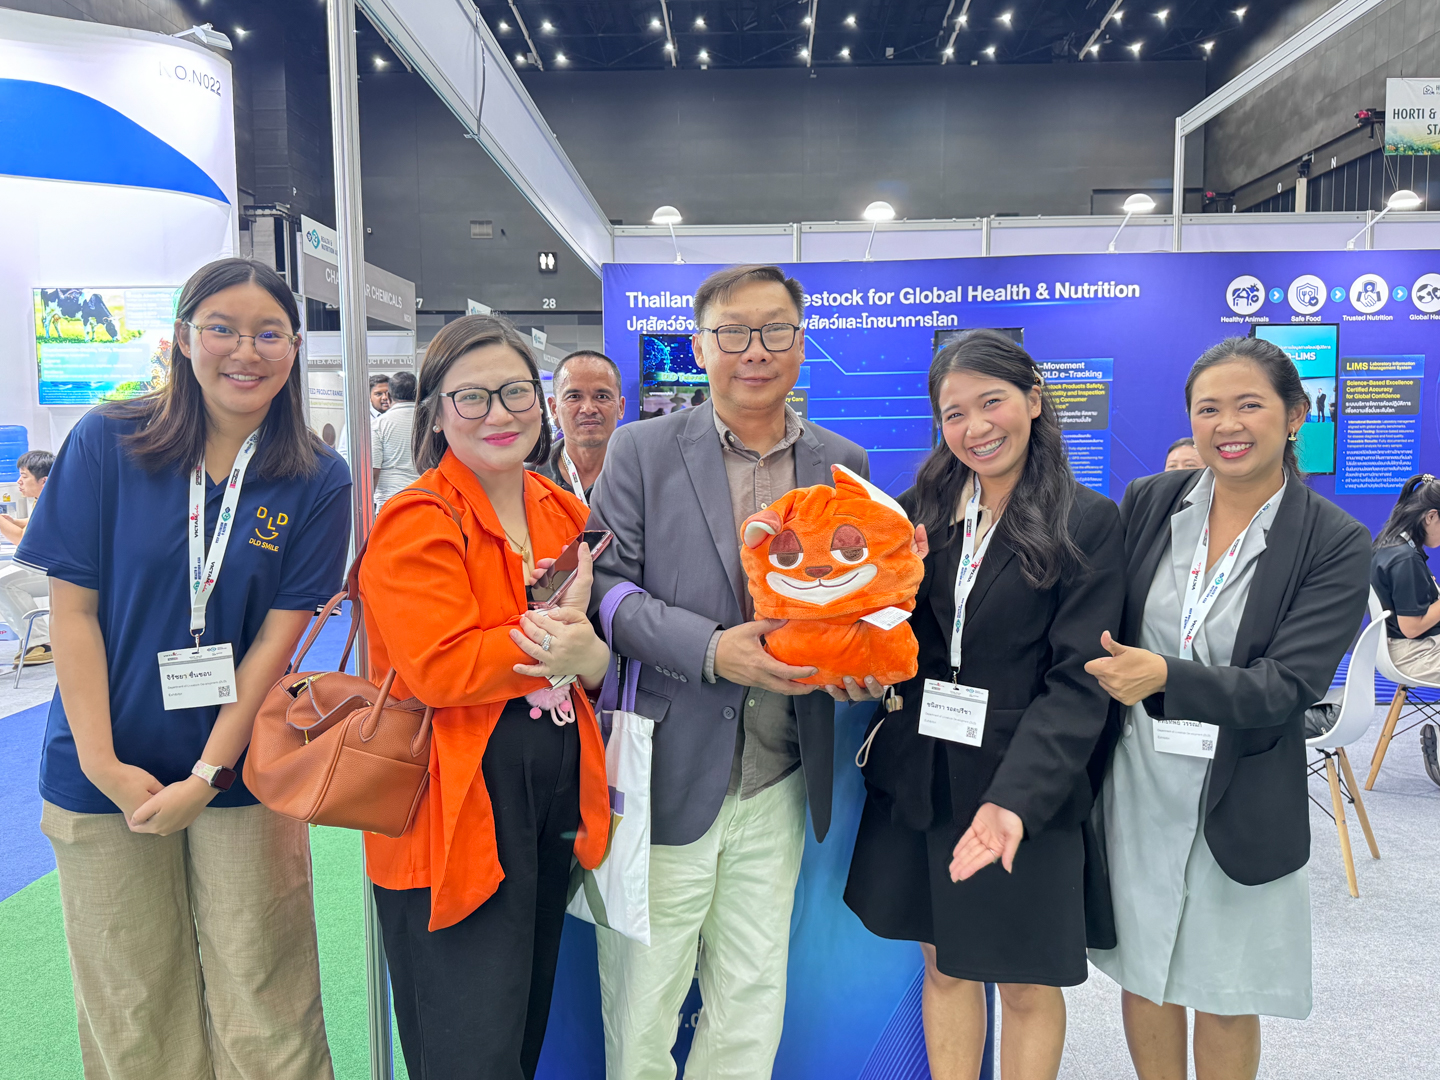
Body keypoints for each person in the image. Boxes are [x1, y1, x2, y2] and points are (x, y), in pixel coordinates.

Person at [20, 257, 351, 1079]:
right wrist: (103, 765)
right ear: (182, 338)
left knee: (267, 1004)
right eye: (222, 329)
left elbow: (275, 646)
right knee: (134, 1013)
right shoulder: (108, 441)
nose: (246, 351)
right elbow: (73, 615)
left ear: (295, 348)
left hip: (242, 773)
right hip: (104, 773)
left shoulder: (316, 477)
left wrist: (208, 773)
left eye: (269, 333)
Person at [587, 264, 876, 1078]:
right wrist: (713, 649)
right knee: (642, 1002)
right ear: (701, 346)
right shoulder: (641, 449)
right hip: (666, 771)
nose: (756, 350)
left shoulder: (843, 460)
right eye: (734, 333)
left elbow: (857, 596)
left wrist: (857, 660)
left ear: (801, 341)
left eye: (775, 330)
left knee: (751, 999)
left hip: (779, 773)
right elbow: (604, 590)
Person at [1085, 336, 1369, 1080]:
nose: (1227, 425)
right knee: (1144, 970)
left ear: (1295, 415)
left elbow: (1288, 685)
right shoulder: (1152, 501)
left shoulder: (1333, 540)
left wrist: (1164, 676)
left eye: (1249, 405)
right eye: (1208, 409)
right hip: (1140, 780)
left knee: (1223, 990)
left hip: (1237, 784)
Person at [845, 330, 1124, 1080]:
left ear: (1033, 400)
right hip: (925, 772)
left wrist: (1016, 801)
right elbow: (890, 631)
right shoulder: (919, 513)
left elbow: (1080, 681)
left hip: (1022, 782)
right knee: (944, 965)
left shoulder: (1085, 522)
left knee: (1026, 981)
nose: (975, 428)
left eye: (991, 402)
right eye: (954, 413)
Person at [359, 314, 613, 1080]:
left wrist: (592, 657)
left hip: (549, 798)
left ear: (540, 401)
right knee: (467, 1044)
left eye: (515, 392)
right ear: (436, 413)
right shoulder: (417, 520)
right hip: (453, 807)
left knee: (521, 1023)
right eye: (472, 397)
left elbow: (597, 646)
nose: (499, 414)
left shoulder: (560, 508)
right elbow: (440, 669)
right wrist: (561, 645)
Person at [1370, 474, 1440, 683]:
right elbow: (1411, 628)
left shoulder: (1391, 545)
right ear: (1431, 517)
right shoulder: (1405, 559)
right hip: (1413, 654)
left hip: (1409, 647)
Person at [539, 349, 625, 503]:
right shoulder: (528, 479)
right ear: (554, 409)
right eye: (574, 397)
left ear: (621, 407)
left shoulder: (646, 476)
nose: (588, 409)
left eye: (602, 396)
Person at [0, 449, 55, 664]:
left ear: (44, 481)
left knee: (4, 584)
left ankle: (41, 641)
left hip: (60, 570)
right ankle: (34, 638)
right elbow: (33, 522)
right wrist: (14, 521)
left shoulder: (50, 502)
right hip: (52, 564)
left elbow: (23, 542)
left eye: (24, 476)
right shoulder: (45, 497)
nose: (18, 482)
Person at [370, 369, 419, 508]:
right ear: (417, 393)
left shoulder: (379, 424)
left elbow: (374, 470)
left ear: (389, 395)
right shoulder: (431, 421)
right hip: (426, 497)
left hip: (390, 501)